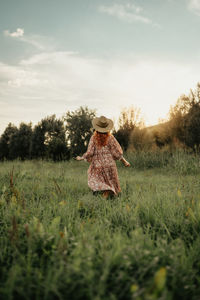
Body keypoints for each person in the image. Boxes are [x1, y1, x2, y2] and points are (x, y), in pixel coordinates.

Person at [76, 116, 130, 198]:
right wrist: (125, 161)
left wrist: (81, 157)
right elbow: (117, 153)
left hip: (98, 165)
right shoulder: (111, 138)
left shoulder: (93, 138)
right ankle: (109, 194)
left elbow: (90, 152)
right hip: (110, 165)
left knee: (94, 179)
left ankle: (105, 194)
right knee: (110, 182)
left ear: (97, 127)